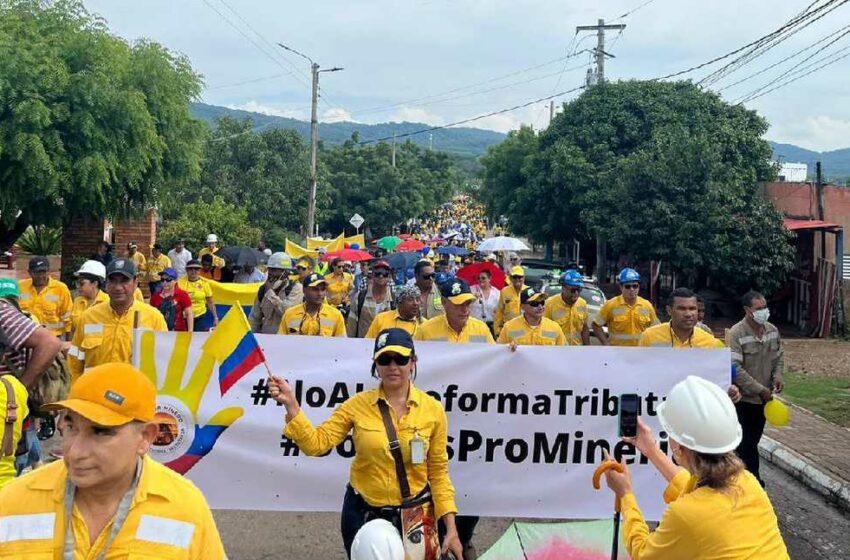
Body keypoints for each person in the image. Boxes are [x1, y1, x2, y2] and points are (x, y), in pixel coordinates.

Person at [268, 329, 463, 560]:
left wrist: (451, 529)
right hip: (363, 513)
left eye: (400, 359)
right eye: (384, 359)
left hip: (414, 517)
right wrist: (291, 405)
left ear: (413, 362)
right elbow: (317, 444)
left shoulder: (433, 410)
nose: (392, 366)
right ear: (375, 364)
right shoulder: (356, 406)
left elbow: (439, 473)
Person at [0, 362, 227, 558]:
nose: (75, 452)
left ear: (146, 437)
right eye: (70, 427)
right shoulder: (13, 501)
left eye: (101, 432)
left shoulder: (184, 507)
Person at [602, 376, 788, 559]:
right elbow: (693, 489)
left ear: (680, 448)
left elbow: (643, 554)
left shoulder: (686, 515)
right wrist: (650, 449)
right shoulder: (747, 481)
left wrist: (625, 494)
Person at [414, 277, 491, 558]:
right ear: (444, 303)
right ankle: (436, 538)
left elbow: (496, 371)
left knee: (473, 484)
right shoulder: (425, 331)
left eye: (468, 303)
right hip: (434, 420)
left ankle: (465, 535)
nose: (464, 309)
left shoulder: (482, 330)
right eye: (458, 304)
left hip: (472, 421)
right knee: (433, 479)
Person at [68, 259, 167, 383]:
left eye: (124, 281)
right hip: (94, 394)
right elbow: (75, 360)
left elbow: (163, 363)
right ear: (106, 284)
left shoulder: (154, 318)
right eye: (113, 281)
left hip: (134, 395)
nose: (118, 287)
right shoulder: (89, 317)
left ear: (136, 283)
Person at [727, 290, 784, 486]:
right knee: (746, 446)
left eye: (765, 307)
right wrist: (760, 389)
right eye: (759, 309)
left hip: (762, 402)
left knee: (752, 442)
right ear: (747, 310)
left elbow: (778, 357)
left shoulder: (772, 330)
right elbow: (735, 370)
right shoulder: (736, 333)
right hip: (742, 401)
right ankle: (755, 484)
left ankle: (740, 481)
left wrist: (778, 376)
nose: (764, 311)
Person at [592, 268, 659, 346]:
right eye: (627, 286)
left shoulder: (647, 306)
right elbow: (596, 325)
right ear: (621, 287)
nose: (632, 289)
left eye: (635, 286)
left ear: (639, 287)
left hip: (640, 352)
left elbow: (656, 329)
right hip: (617, 353)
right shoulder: (611, 305)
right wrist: (606, 343)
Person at [639, 288, 723, 348]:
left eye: (692, 308)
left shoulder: (710, 342)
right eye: (682, 309)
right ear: (669, 310)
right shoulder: (649, 337)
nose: (688, 314)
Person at [18, 256, 73, 339]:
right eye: (36, 273)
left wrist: (69, 343)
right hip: (24, 336)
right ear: (29, 272)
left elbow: (68, 317)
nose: (40, 276)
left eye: (43, 272)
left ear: (49, 271)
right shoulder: (20, 286)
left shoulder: (61, 288)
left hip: (51, 337)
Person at [249, 252, 304, 335]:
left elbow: (286, 312)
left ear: (285, 272)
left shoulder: (296, 288)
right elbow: (254, 318)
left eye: (274, 270)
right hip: (266, 338)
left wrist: (270, 294)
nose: (270, 273)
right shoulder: (263, 290)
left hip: (286, 339)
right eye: (270, 269)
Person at [278, 273, 346, 337]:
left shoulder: (336, 315)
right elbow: (280, 342)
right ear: (304, 290)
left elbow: (341, 345)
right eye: (315, 289)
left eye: (323, 289)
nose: (320, 294)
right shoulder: (289, 314)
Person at [498, 287, 565, 347]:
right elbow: (499, 353)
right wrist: (508, 349)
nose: (540, 307)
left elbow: (563, 353)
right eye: (534, 304)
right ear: (522, 306)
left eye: (542, 302)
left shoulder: (555, 327)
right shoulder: (509, 327)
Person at [348, 260, 396, 338]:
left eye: (384, 273)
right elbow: (351, 325)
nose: (381, 276)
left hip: (385, 347)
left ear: (389, 277)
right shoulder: (361, 297)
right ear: (373, 275)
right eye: (378, 273)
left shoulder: (394, 300)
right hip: (362, 346)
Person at [544, 270, 590, 346]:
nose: (576, 293)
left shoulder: (582, 303)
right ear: (563, 288)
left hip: (576, 351)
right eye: (573, 290)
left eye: (579, 290)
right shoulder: (550, 304)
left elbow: (584, 329)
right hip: (557, 350)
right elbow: (543, 328)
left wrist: (588, 349)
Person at [70, 260, 110, 337]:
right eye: (77, 283)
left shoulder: (108, 302)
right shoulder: (77, 301)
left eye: (82, 283)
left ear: (95, 283)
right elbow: (73, 329)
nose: (78, 287)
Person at [178, 259, 219, 332]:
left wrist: (215, 317)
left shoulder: (205, 284)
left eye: (196, 269)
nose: (193, 271)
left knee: (198, 338)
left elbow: (210, 302)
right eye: (190, 269)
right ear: (187, 270)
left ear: (200, 270)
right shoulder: (180, 283)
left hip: (200, 315)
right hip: (184, 316)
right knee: (184, 339)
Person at [493, 266, 526, 336]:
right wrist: (497, 330)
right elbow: (499, 311)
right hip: (509, 329)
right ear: (511, 278)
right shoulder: (504, 291)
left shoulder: (529, 291)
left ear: (524, 278)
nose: (517, 279)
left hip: (525, 329)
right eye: (515, 277)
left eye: (519, 277)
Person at [470, 269, 499, 335]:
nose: (480, 280)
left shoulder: (497, 292)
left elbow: (500, 309)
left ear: (490, 278)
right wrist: (473, 298)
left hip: (491, 326)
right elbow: (465, 305)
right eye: (478, 278)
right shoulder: (472, 289)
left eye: (483, 278)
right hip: (475, 325)